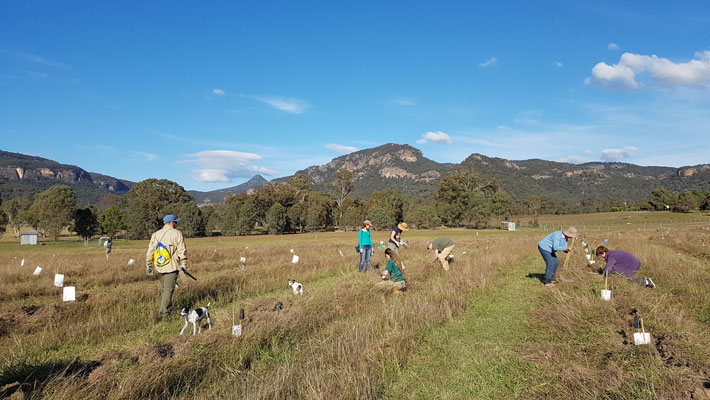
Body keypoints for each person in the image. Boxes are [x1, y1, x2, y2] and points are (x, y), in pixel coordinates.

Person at [146, 215, 188, 321]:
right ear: (172, 222)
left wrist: (148, 264)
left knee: (165, 289)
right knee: (169, 290)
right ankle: (163, 314)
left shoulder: (155, 234)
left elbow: (150, 251)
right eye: (176, 222)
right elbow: (182, 250)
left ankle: (167, 310)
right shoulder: (177, 233)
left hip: (159, 266)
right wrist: (183, 263)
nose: (176, 224)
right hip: (172, 266)